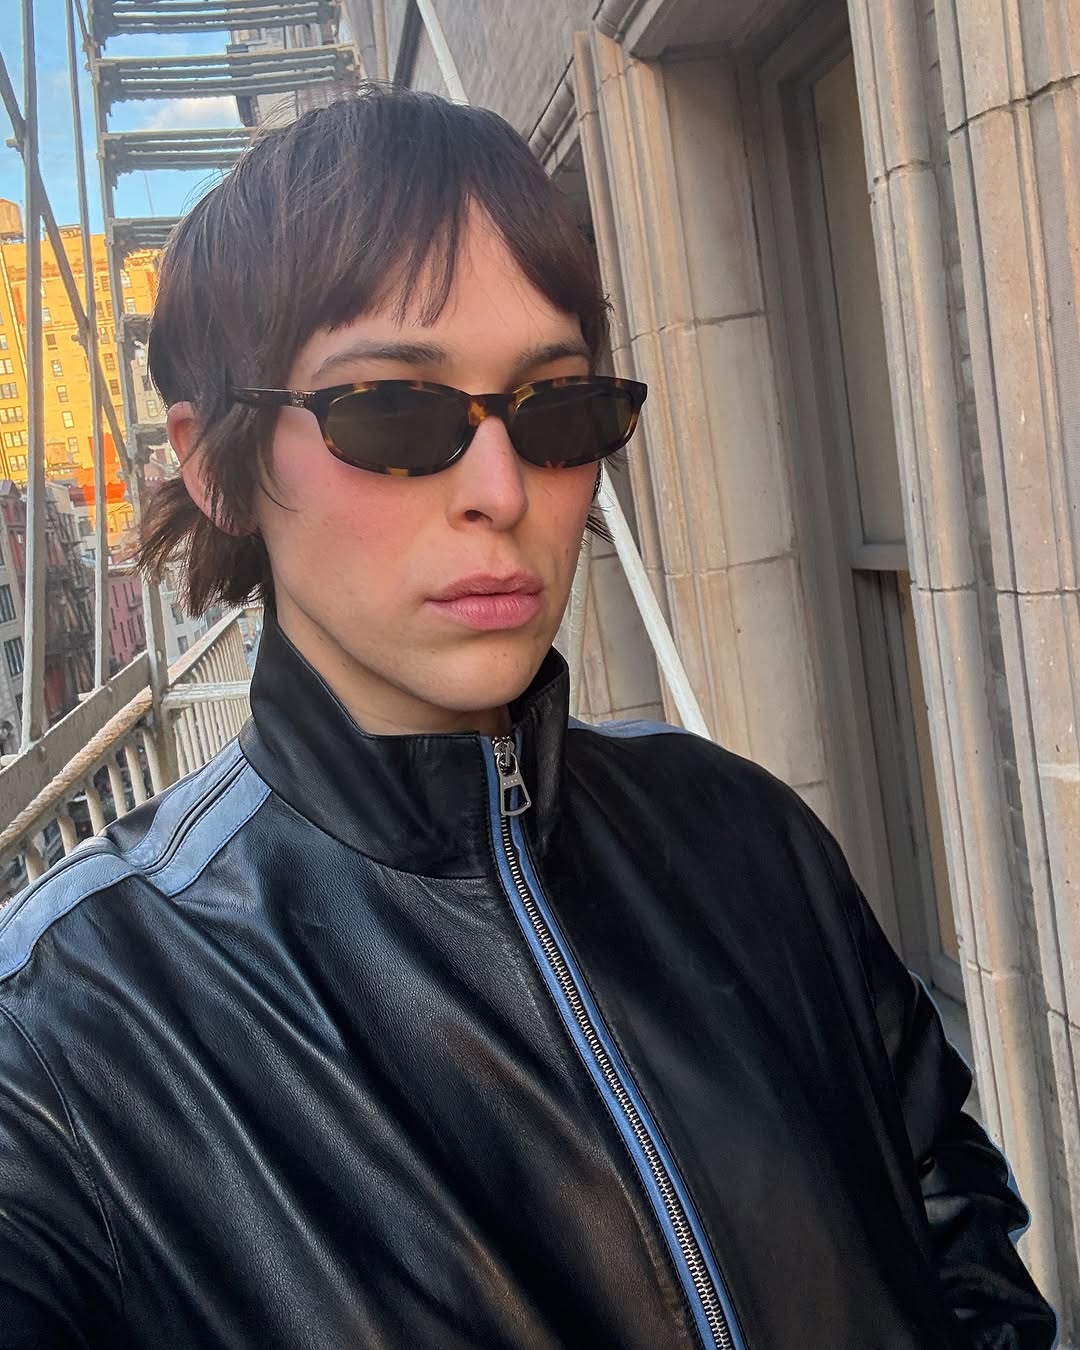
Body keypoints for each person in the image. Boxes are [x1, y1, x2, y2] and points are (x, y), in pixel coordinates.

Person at [0, 87, 1056, 1350]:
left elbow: (950, 1230)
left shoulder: (744, 833)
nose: (500, 489)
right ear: (215, 463)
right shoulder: (64, 1036)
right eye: (394, 411)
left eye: (557, 407)